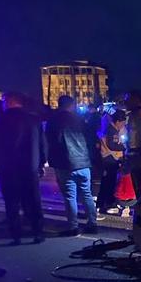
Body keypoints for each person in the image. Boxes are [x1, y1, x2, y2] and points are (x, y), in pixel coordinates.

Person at [0, 92, 46, 244]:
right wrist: (41, 163)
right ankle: (37, 232)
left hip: (8, 168)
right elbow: (42, 144)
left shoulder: (1, 120)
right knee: (33, 201)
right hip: (29, 167)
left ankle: (16, 234)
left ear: (10, 102)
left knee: (12, 202)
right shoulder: (33, 119)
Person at [46, 95, 98, 236]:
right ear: (72, 105)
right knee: (87, 194)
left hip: (66, 164)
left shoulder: (54, 121)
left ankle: (73, 227)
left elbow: (52, 142)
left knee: (70, 196)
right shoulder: (80, 120)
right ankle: (93, 223)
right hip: (84, 162)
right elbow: (91, 139)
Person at [97, 109, 127, 214]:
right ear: (118, 121)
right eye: (123, 122)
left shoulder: (110, 129)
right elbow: (112, 145)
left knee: (107, 182)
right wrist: (123, 147)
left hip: (108, 159)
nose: (123, 125)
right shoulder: (112, 130)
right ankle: (107, 203)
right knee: (109, 182)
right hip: (110, 159)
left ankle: (103, 203)